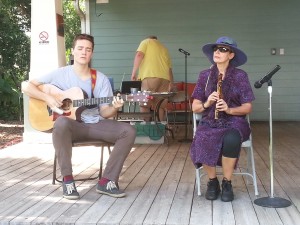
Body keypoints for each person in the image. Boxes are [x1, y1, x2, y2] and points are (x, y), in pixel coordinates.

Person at [22, 33, 136, 200]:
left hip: (95, 124)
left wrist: (115, 107)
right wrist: (48, 98)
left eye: (88, 50)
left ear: (92, 54)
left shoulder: (100, 79)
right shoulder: (60, 74)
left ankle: (107, 181)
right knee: (61, 122)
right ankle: (68, 181)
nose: (84, 52)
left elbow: (105, 112)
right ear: (73, 51)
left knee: (129, 131)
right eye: (80, 48)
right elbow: (27, 86)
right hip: (71, 127)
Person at [190, 36, 255, 202]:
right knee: (202, 137)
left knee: (232, 139)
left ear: (231, 55)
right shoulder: (204, 76)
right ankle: (212, 182)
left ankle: (227, 182)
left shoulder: (240, 76)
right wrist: (207, 103)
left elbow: (247, 107)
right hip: (210, 121)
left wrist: (229, 109)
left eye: (223, 49)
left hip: (234, 121)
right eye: (215, 49)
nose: (217, 52)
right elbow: (195, 107)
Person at [131, 35, 174, 121]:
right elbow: (169, 69)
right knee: (160, 106)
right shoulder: (164, 48)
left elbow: (139, 55)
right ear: (156, 40)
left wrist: (133, 73)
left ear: (150, 38)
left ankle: (146, 128)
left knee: (144, 104)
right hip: (165, 79)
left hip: (150, 76)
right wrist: (171, 83)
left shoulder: (146, 42)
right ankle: (160, 131)